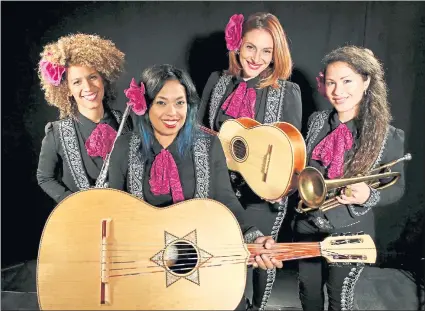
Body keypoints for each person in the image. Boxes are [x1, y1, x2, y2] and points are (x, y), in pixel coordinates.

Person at [108, 64, 284, 310]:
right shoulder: (125, 147)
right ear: (145, 104)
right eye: (161, 102)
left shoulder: (209, 144)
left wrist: (254, 237)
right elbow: (111, 209)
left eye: (180, 103)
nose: (172, 112)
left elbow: (227, 201)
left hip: (196, 260)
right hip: (143, 267)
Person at [197, 12, 302, 310]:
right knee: (222, 268)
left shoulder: (287, 92)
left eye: (267, 51)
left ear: (276, 54)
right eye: (250, 47)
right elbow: (200, 129)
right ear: (237, 46)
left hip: (261, 196)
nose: (257, 58)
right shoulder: (218, 81)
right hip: (218, 192)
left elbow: (289, 149)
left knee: (258, 265)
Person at [294, 46, 406, 311]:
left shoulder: (388, 135)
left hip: (351, 229)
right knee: (308, 295)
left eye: (347, 81)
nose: (338, 91)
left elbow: (398, 188)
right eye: (331, 82)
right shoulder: (317, 121)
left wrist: (368, 195)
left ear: (366, 81)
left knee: (339, 300)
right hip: (307, 223)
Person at [36, 33, 132, 203]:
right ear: (67, 90)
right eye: (77, 82)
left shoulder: (125, 122)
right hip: (80, 221)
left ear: (104, 79)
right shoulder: (56, 133)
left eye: (93, 77)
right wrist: (74, 205)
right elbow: (45, 178)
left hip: (124, 216)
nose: (87, 87)